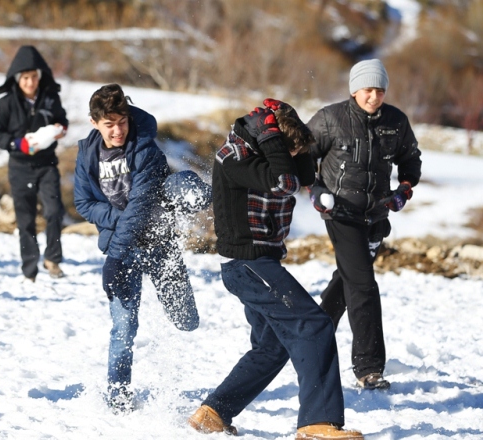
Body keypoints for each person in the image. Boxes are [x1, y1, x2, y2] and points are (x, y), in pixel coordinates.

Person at [188, 99, 363, 439]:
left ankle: (213, 413)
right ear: (269, 141)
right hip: (247, 263)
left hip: (259, 263)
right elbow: (283, 181)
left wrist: (292, 146)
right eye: (289, 150)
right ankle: (318, 422)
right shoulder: (234, 157)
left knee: (272, 346)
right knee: (313, 325)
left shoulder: (269, 155)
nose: (294, 158)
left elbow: (303, 175)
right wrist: (271, 138)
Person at [74, 84, 201, 414]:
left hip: (158, 241)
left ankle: (207, 194)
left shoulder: (144, 148)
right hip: (123, 248)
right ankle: (118, 395)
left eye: (122, 122)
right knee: (124, 327)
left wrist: (113, 254)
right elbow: (82, 202)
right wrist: (115, 218)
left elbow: (141, 207)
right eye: (109, 124)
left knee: (186, 321)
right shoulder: (86, 153)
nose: (117, 131)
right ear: (94, 122)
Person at [306, 59, 422, 390]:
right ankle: (369, 368)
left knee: (347, 281)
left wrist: (405, 188)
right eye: (368, 90)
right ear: (355, 89)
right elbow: (302, 156)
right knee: (363, 285)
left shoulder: (396, 121)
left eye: (380, 90)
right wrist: (315, 190)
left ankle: (310, 335)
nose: (374, 97)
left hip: (377, 214)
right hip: (340, 213)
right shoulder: (330, 118)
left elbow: (410, 159)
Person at [0, 45, 68, 281]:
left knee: (54, 211)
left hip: (47, 164)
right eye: (25, 78)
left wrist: (59, 130)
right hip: (20, 167)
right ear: (17, 78)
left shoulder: (50, 98)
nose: (30, 83)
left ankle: (53, 259)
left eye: (33, 77)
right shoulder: (6, 103)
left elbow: (62, 121)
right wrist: (16, 144)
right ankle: (30, 267)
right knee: (26, 218)